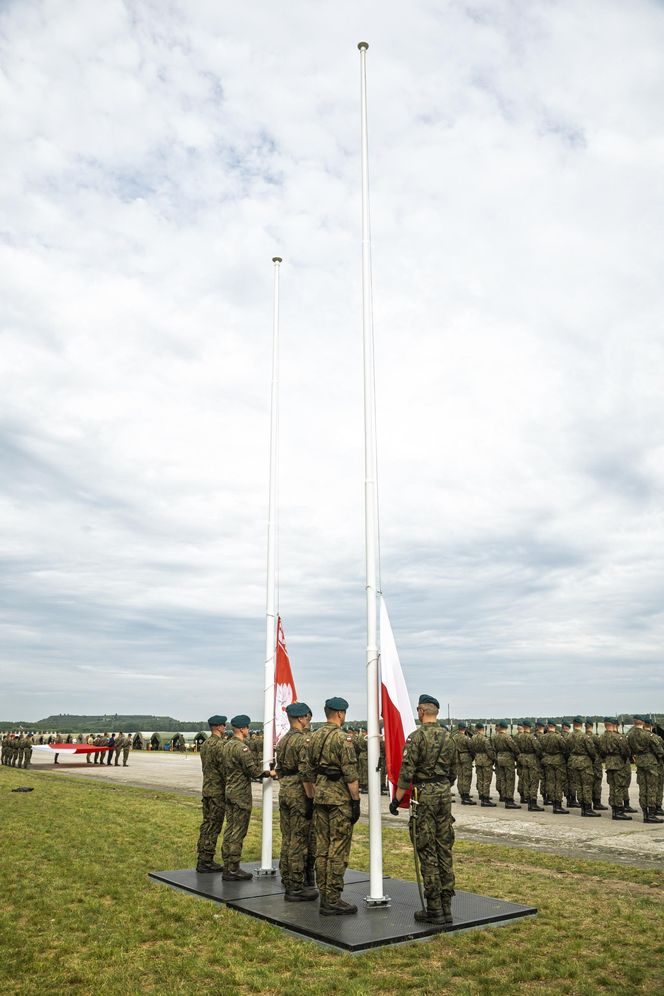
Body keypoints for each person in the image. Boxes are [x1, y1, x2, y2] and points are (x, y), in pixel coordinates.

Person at [390, 694, 456, 926]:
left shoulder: (416, 738)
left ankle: (434, 908)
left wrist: (396, 801)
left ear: (421, 711)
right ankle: (447, 906)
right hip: (443, 794)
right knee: (444, 848)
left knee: (426, 849)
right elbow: (453, 771)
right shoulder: (449, 737)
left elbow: (407, 773)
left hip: (424, 795)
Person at [309, 696, 361, 916]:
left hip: (320, 798)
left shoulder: (313, 737)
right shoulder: (343, 739)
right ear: (340, 714)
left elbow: (307, 770)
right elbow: (350, 775)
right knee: (338, 849)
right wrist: (356, 801)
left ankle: (324, 895)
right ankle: (333, 899)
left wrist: (312, 795)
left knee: (322, 849)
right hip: (339, 800)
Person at [222, 715, 274, 880]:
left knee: (230, 829)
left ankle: (227, 865)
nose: (248, 731)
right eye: (247, 728)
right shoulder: (242, 748)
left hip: (229, 790)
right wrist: (270, 772)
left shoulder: (226, 745)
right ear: (243, 729)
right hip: (240, 795)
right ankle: (233, 868)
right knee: (238, 831)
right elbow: (254, 771)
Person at [275, 702, 317, 901]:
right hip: (300, 791)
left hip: (285, 789)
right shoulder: (303, 740)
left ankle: (287, 876)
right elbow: (306, 773)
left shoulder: (284, 740)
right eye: (307, 717)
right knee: (299, 840)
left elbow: (280, 770)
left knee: (288, 837)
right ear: (301, 718)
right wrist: (310, 798)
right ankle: (295, 887)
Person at [196, 715, 228, 873]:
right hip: (217, 791)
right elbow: (224, 769)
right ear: (220, 727)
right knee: (214, 825)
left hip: (207, 788)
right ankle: (206, 861)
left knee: (206, 824)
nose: (225, 728)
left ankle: (203, 857)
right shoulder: (220, 745)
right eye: (224, 725)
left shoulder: (206, 744)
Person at [628, 716, 664, 823]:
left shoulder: (631, 735)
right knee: (651, 788)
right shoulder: (649, 736)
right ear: (643, 723)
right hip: (651, 763)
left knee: (643, 788)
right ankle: (651, 814)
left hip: (639, 762)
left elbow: (629, 749)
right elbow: (660, 751)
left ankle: (645, 813)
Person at [598, 718, 632, 821]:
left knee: (612, 787)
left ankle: (614, 809)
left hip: (609, 763)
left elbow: (601, 752)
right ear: (614, 725)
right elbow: (626, 751)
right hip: (618, 763)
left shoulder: (601, 737)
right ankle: (619, 811)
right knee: (619, 787)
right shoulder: (618, 737)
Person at [567, 717, 600, 817]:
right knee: (586, 786)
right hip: (584, 763)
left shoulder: (569, 736)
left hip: (573, 762)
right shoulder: (585, 737)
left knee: (579, 786)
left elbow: (567, 748)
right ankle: (588, 808)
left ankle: (582, 808)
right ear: (581, 725)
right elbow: (592, 751)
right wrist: (593, 758)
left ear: (573, 724)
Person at [515, 720, 544, 811]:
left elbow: (516, 749)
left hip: (523, 760)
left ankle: (528, 801)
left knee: (526, 781)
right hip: (532, 761)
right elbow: (538, 749)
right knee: (534, 782)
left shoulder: (518, 737)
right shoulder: (532, 738)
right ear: (530, 727)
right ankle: (533, 803)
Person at [540, 723, 569, 814]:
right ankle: (558, 805)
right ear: (554, 727)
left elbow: (539, 749)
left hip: (547, 761)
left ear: (547, 727)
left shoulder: (542, 737)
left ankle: (552, 802)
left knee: (550, 782)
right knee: (558, 783)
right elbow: (565, 748)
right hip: (558, 762)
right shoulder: (558, 737)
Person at [493, 721, 521, 809]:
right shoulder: (507, 737)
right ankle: (509, 800)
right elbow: (514, 748)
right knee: (510, 780)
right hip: (508, 760)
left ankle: (504, 796)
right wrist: (517, 756)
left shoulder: (495, 737)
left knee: (503, 779)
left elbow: (493, 748)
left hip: (499, 758)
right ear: (506, 728)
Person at [471, 723, 495, 806]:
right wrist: (493, 758)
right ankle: (485, 799)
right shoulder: (485, 739)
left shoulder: (473, 738)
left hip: (478, 759)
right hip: (486, 761)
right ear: (483, 729)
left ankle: (481, 795)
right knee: (486, 780)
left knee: (480, 779)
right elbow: (489, 751)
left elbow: (472, 749)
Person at [451, 723, 476, 805]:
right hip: (466, 757)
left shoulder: (453, 738)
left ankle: (461, 793)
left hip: (457, 758)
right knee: (466, 776)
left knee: (460, 776)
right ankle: (465, 796)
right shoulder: (466, 738)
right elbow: (472, 749)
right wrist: (472, 757)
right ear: (464, 729)